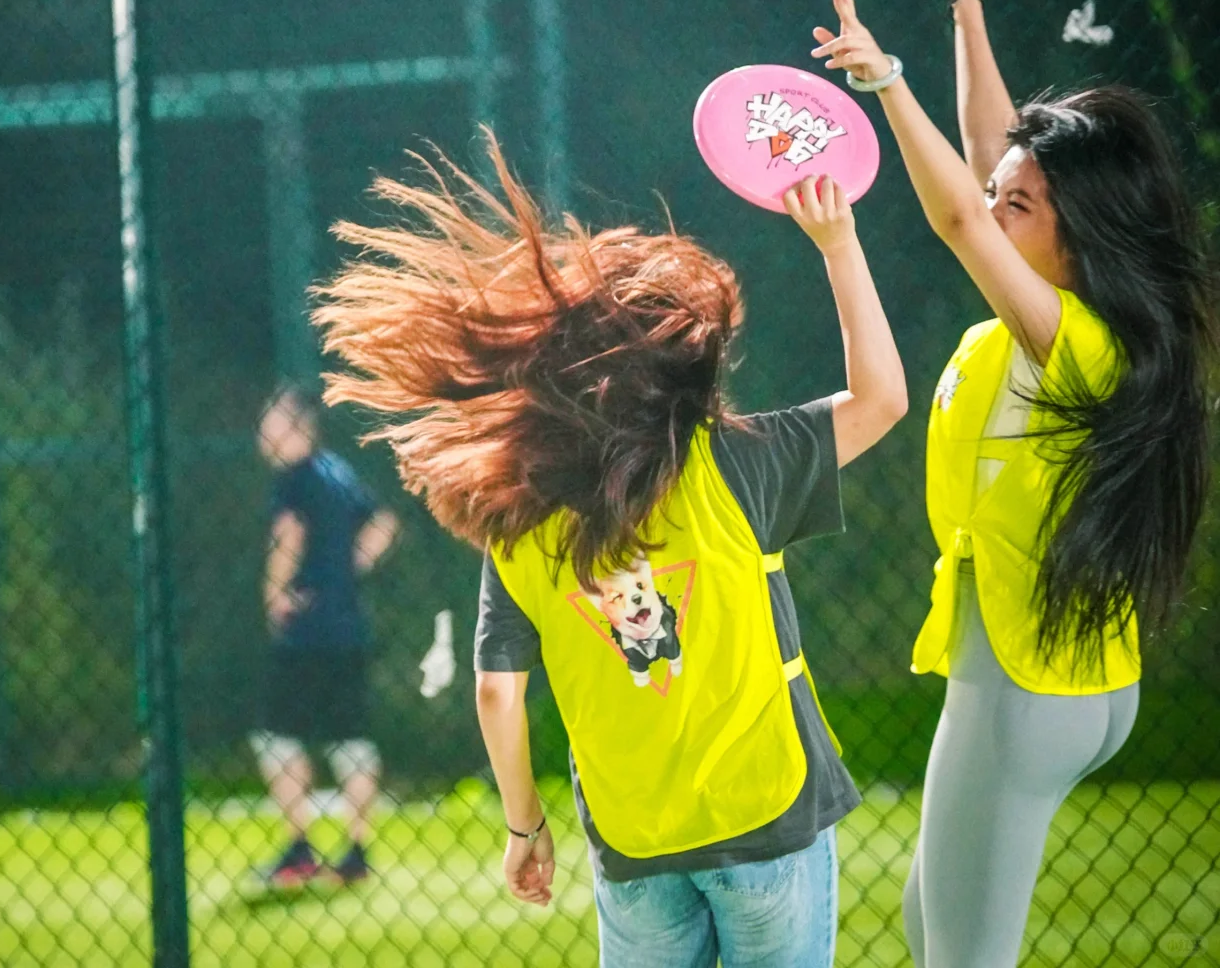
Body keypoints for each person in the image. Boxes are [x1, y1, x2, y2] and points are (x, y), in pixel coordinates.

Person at [311, 132, 908, 965]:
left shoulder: (518, 521)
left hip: (634, 844)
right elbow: (882, 397)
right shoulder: (735, 462)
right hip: (768, 818)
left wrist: (526, 823)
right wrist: (839, 245)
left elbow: (496, 694)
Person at [807, 0, 1216, 966]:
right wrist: (968, 7)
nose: (993, 203)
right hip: (1067, 680)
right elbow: (995, 160)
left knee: (960, 957)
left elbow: (961, 216)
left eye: (1021, 207)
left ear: (1077, 230)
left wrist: (885, 82)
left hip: (1020, 691)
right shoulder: (1085, 321)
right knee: (926, 925)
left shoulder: (1079, 344)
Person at [246, 385, 399, 891]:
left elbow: (289, 534)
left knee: (276, 737)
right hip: (348, 627)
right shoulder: (338, 472)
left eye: (271, 422)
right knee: (351, 741)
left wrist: (274, 593)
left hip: (305, 631)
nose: (262, 433)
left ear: (297, 426)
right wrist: (348, 571)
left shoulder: (293, 481)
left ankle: (299, 848)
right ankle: (356, 852)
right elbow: (382, 522)